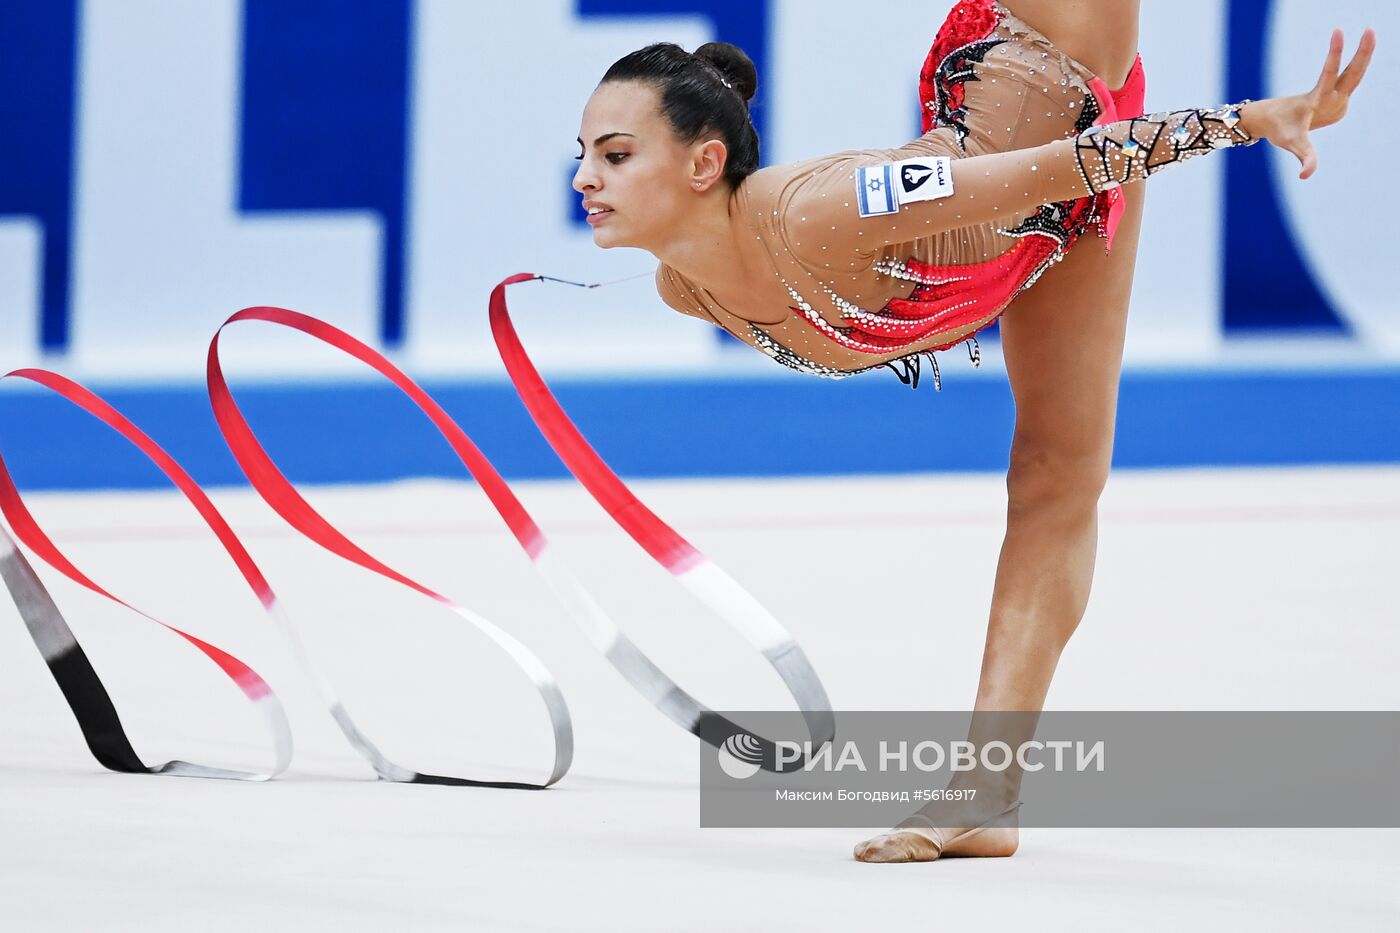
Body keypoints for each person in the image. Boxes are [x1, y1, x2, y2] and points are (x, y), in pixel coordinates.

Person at [570, 0, 1375, 862]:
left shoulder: (818, 213)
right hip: (1043, 195)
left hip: (1045, 86)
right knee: (1054, 474)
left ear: (706, 162)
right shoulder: (686, 289)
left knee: (1060, 466)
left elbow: (1060, 166)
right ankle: (987, 792)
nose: (585, 179)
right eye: (583, 156)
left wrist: (1252, 119)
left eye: (615, 156)